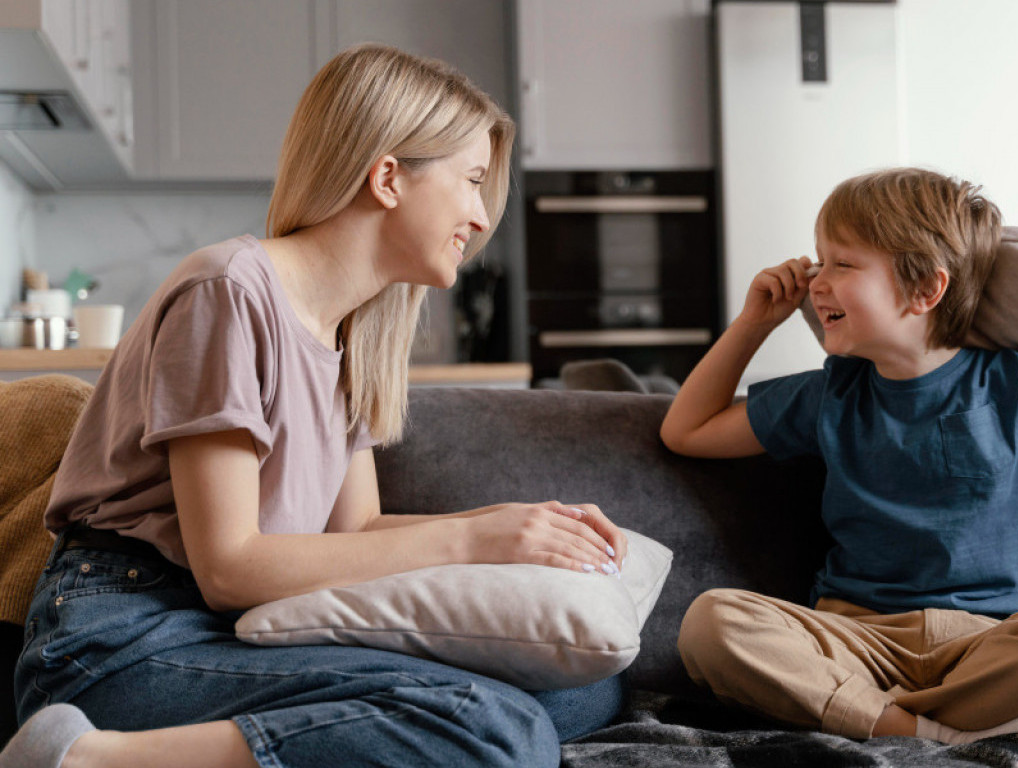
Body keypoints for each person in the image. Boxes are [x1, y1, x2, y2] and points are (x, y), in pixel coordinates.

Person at [1, 44, 629, 768]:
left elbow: (356, 528)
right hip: (128, 635)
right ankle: (79, 757)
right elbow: (229, 566)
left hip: (238, 626)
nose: (482, 217)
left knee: (586, 692)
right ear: (388, 177)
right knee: (501, 729)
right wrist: (474, 543)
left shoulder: (346, 334)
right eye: (472, 181)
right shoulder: (229, 293)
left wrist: (519, 526)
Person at [661, 168, 1018, 744]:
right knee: (712, 621)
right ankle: (942, 734)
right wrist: (753, 323)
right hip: (855, 638)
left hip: (988, 641)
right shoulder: (829, 393)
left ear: (926, 290)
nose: (815, 282)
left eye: (842, 264)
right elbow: (688, 431)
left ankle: (874, 721)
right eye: (819, 261)